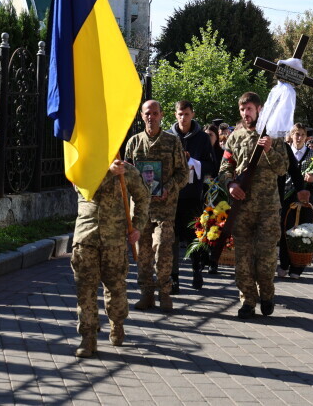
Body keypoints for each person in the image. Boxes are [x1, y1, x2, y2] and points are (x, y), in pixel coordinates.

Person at [218, 92, 289, 319]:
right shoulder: (235, 137)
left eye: (249, 109)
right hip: (242, 207)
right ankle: (247, 300)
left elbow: (283, 169)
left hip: (268, 207)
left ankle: (267, 294)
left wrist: (268, 151)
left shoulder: (274, 137)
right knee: (243, 259)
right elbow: (225, 168)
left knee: (266, 258)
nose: (245, 114)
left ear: (259, 109)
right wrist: (230, 184)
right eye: (242, 110)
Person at [71, 160, 149, 358]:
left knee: (116, 288)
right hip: (86, 238)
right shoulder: (81, 166)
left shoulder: (128, 170)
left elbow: (143, 197)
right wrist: (108, 172)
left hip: (114, 241)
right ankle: (88, 337)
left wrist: (137, 226)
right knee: (85, 290)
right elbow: (83, 189)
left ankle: (117, 322)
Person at [125, 100, 189, 313]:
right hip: (141, 210)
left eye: (154, 113)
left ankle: (164, 292)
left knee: (162, 249)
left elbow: (183, 173)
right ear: (142, 116)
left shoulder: (172, 142)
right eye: (147, 113)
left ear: (162, 115)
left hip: (165, 209)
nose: (151, 117)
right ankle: (146, 294)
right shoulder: (134, 143)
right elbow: (125, 176)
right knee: (142, 253)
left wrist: (168, 187)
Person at [167, 101, 214, 293]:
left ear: (192, 114)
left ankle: (197, 269)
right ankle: (174, 277)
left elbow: (212, 166)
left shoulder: (202, 138)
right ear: (175, 114)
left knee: (194, 235)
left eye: (186, 114)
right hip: (172, 195)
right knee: (172, 238)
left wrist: (193, 162)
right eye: (180, 114)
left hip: (193, 195)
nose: (183, 118)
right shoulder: (168, 136)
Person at [277, 123, 313, 280]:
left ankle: (297, 267)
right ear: (291, 136)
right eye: (296, 134)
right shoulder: (284, 152)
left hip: (304, 198)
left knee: (303, 231)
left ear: (306, 137)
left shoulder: (312, 155)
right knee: (286, 230)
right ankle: (284, 263)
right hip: (286, 196)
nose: (299, 137)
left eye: (301, 134)